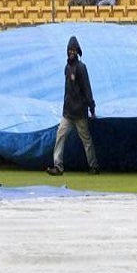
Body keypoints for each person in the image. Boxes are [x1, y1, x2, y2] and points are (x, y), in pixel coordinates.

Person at [46, 36, 99, 176]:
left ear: (78, 51)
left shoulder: (81, 68)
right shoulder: (67, 67)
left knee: (86, 140)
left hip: (80, 112)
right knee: (60, 135)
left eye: (74, 50)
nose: (72, 52)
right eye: (70, 50)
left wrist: (91, 108)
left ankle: (93, 166)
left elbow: (87, 89)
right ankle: (58, 166)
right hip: (68, 112)